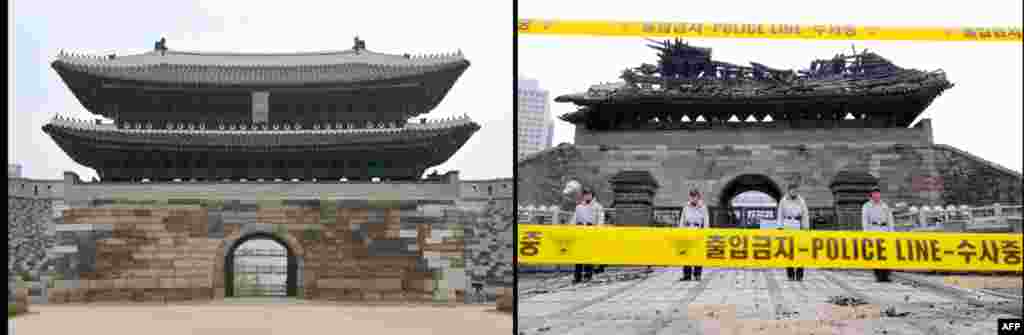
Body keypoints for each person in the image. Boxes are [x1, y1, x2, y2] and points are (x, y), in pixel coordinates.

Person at [776, 183, 810, 281]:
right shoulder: (783, 201)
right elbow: (780, 214)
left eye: (796, 190)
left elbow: (805, 215)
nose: (794, 192)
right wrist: (780, 227)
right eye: (792, 190)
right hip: (787, 225)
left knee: (800, 251)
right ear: (789, 190)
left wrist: (806, 228)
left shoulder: (801, 201)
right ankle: (790, 274)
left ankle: (799, 274)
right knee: (789, 251)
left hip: (799, 226)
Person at [861, 186, 895, 282]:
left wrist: (892, 232)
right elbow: (865, 221)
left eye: (878, 193)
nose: (876, 195)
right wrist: (866, 234)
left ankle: (886, 274)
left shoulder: (885, 206)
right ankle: (878, 275)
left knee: (886, 254)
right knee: (876, 254)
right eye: (874, 193)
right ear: (871, 195)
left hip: (884, 230)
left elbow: (890, 220)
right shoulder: (867, 206)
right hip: (873, 230)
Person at [571, 189, 604, 284]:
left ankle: (588, 275)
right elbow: (574, 219)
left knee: (589, 254)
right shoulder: (579, 207)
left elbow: (600, 220)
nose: (587, 196)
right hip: (580, 232)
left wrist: (597, 229)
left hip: (591, 232)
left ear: (592, 195)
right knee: (579, 255)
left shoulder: (598, 207)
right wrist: (572, 228)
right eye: (585, 194)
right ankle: (577, 276)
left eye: (588, 194)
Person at [678, 189, 709, 281]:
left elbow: (706, 221)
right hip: (687, 231)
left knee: (697, 254)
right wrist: (680, 232)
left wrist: (705, 233)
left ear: (698, 197)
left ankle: (697, 274)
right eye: (691, 196)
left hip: (698, 232)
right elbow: (682, 220)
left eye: (695, 196)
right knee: (686, 254)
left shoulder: (703, 207)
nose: (693, 198)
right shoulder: (686, 207)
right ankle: (687, 275)